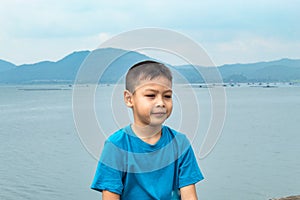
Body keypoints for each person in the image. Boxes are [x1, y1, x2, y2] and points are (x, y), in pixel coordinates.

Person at [91, 60, 204, 199]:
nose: (161, 103)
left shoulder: (180, 144)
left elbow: (189, 195)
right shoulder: (116, 146)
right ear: (129, 99)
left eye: (167, 96)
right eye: (151, 95)